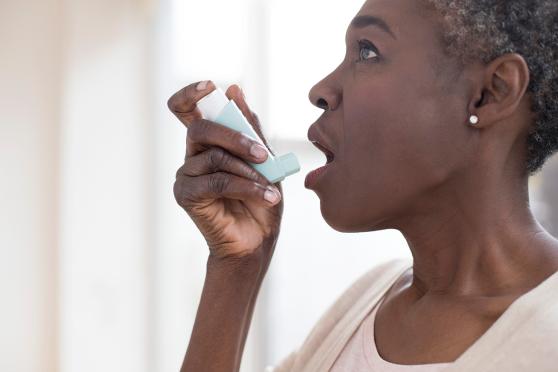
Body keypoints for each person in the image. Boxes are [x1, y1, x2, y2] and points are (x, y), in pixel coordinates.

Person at [167, 0, 558, 371]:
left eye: (367, 51)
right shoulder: (364, 306)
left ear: (491, 93)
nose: (320, 89)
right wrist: (237, 266)